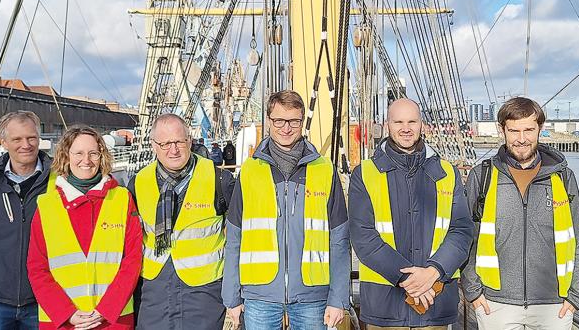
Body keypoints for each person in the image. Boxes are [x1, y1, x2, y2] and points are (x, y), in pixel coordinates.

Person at [222, 90, 350, 330]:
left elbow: (339, 240)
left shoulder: (325, 170)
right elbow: (234, 237)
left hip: (312, 295)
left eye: (293, 121)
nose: (286, 128)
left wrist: (339, 298)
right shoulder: (250, 171)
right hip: (259, 295)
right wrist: (232, 296)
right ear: (269, 121)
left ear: (302, 121)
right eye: (279, 120)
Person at [461, 97, 579, 329]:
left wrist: (576, 295)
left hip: (554, 305)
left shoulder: (562, 177)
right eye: (514, 131)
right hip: (495, 303)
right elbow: (467, 237)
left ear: (540, 128)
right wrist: (473, 291)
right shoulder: (482, 177)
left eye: (529, 130)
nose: (522, 139)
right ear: (502, 130)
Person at [349, 98, 474, 329]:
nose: (405, 128)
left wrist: (434, 271)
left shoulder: (447, 173)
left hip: (435, 302)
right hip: (385, 305)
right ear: (388, 125)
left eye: (412, 121)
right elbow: (363, 237)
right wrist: (409, 279)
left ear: (422, 125)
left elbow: (461, 230)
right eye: (398, 122)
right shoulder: (365, 173)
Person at [28, 125, 142, 329]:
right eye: (78, 153)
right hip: (63, 321)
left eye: (93, 153)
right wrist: (66, 313)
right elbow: (37, 268)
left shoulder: (122, 199)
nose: (86, 160)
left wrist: (106, 309)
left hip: (113, 319)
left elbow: (132, 260)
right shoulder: (46, 205)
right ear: (66, 156)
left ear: (102, 156)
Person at [128, 114, 236, 329]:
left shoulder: (219, 180)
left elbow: (238, 240)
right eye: (166, 143)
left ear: (189, 141)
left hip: (203, 292)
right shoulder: (138, 183)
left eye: (179, 142)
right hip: (154, 290)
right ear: (154, 145)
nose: (173, 150)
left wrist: (234, 293)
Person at [0, 111, 53, 329]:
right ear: (4, 142)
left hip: (43, 297)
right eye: (17, 139)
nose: (26, 144)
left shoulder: (58, 180)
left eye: (31, 138)